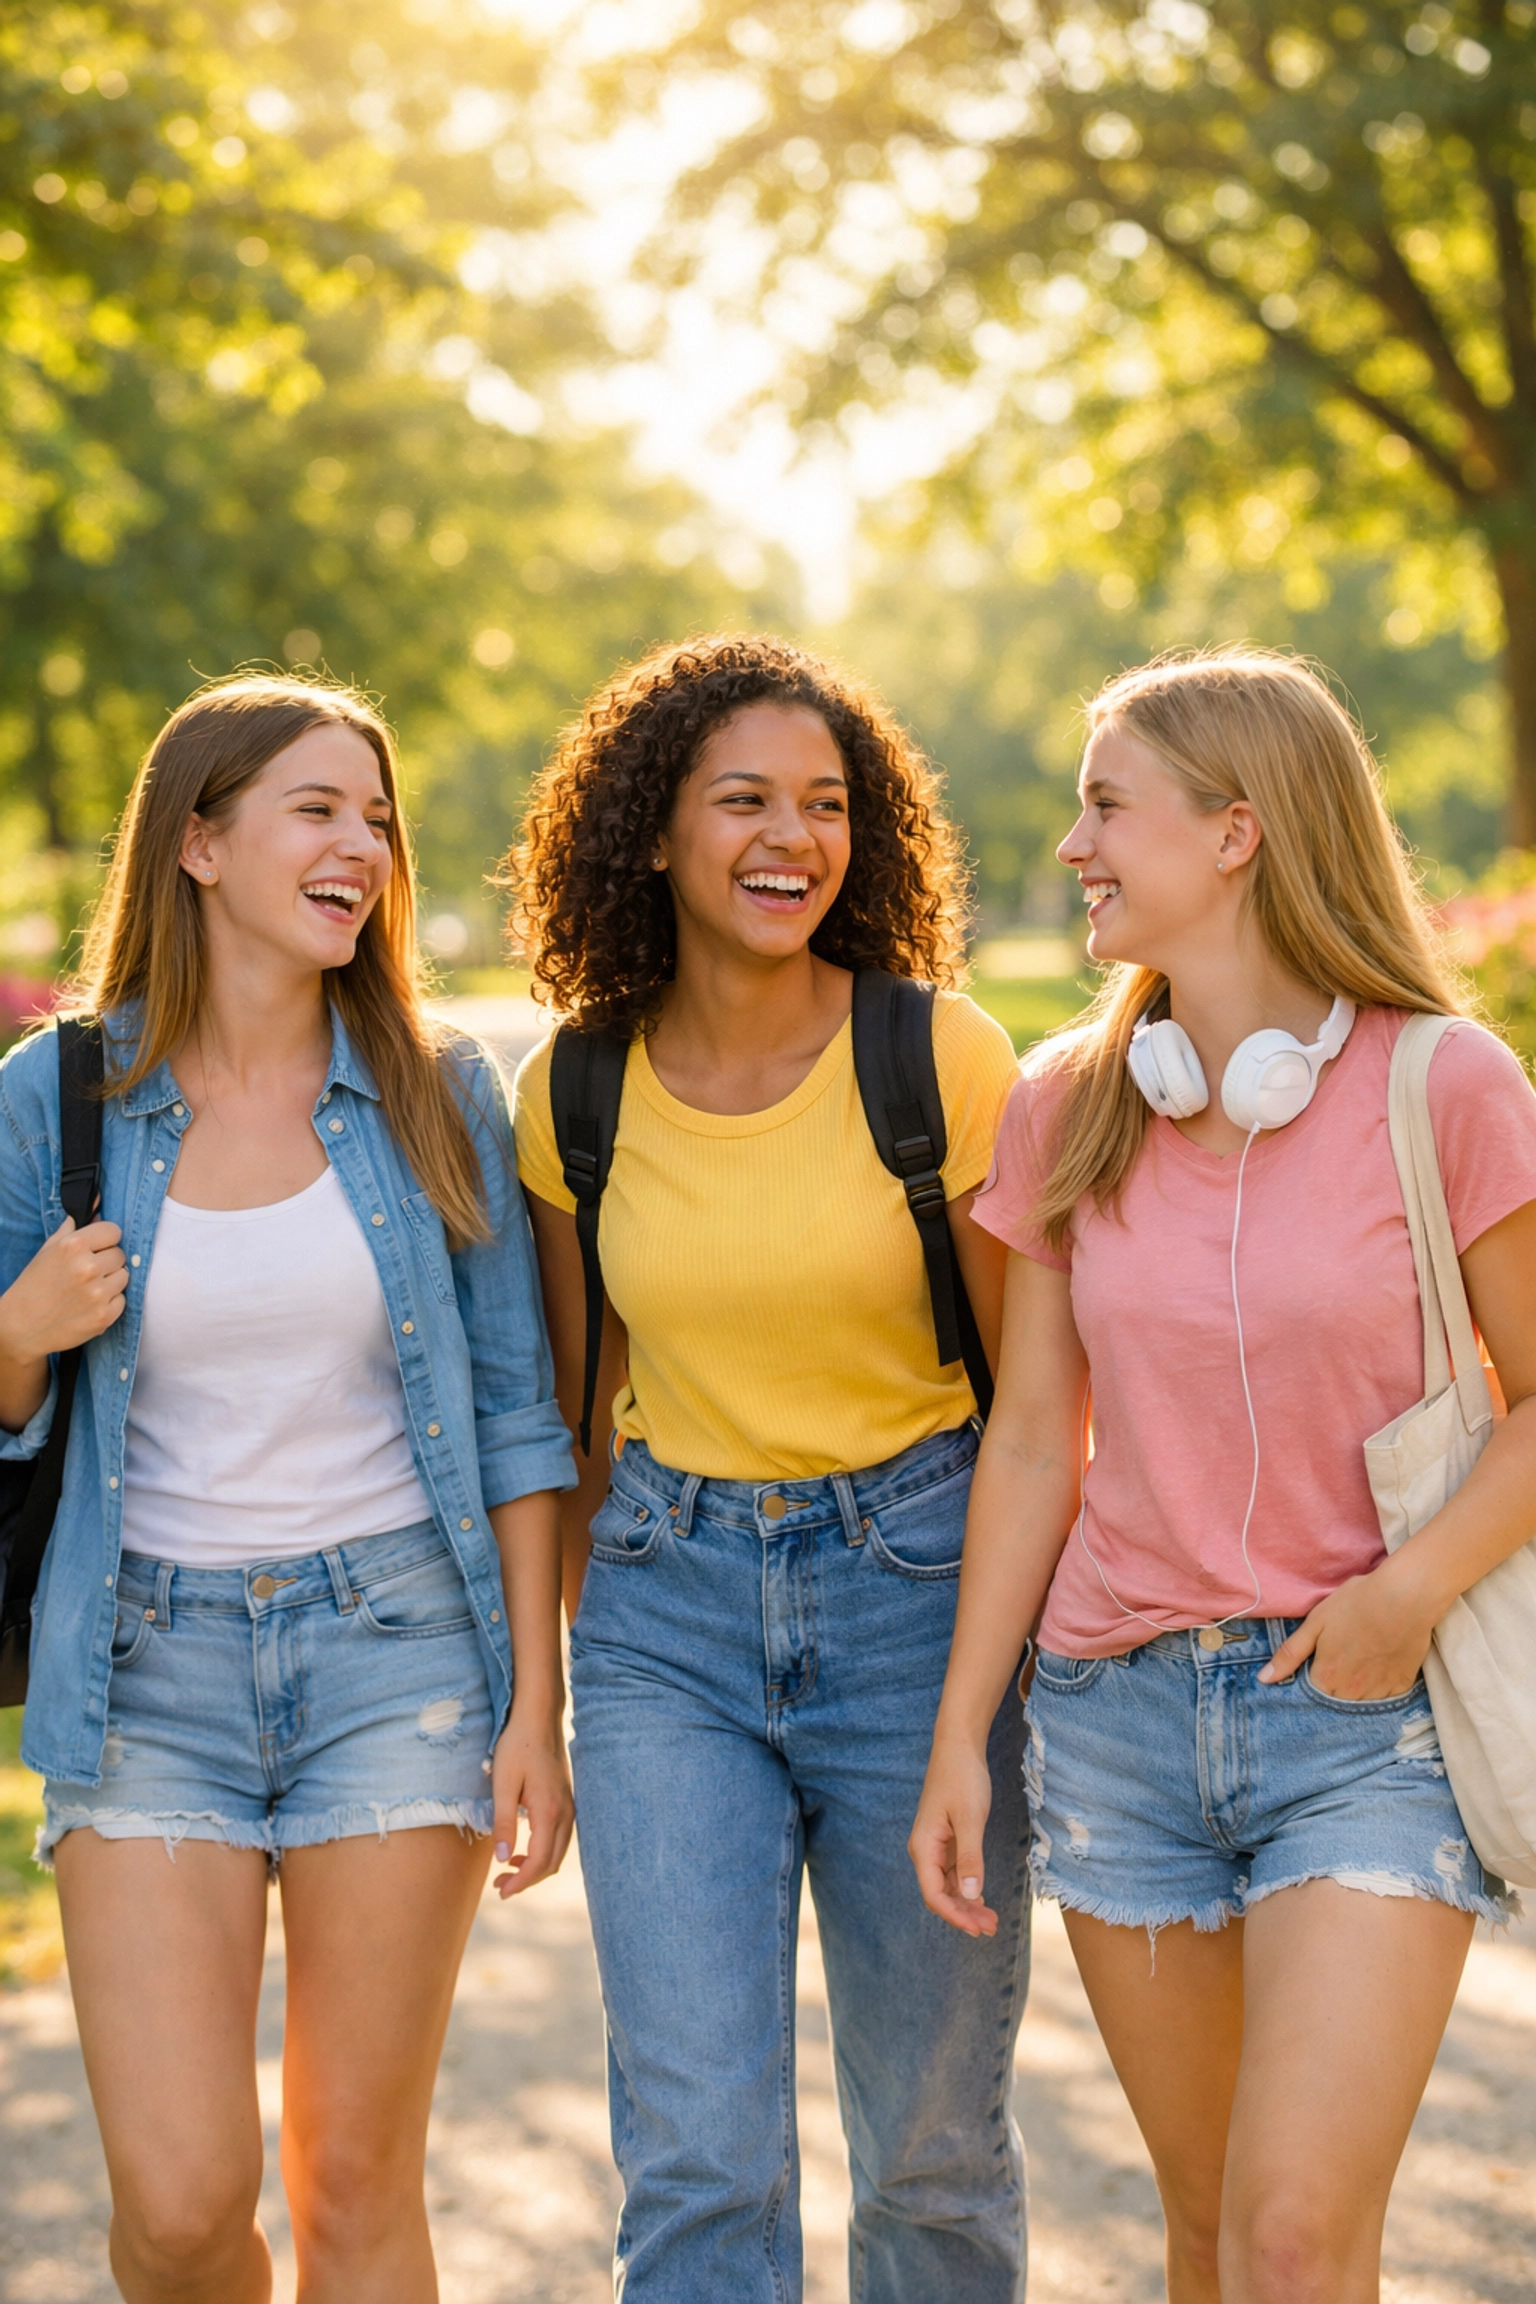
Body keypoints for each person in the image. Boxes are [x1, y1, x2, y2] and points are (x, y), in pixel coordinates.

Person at [911, 647, 1536, 2304]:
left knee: (1289, 2234)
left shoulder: (1444, 1086)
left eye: (1105, 805)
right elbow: (1041, 1437)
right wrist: (966, 1732)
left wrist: (1403, 1596)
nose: (1072, 847)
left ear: (1240, 831)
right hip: (1119, 1720)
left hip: (1365, 1724)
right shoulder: (1070, 1104)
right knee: (1208, 2236)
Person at [0, 675, 575, 2304]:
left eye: (378, 818)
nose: (364, 848)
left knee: (353, 2180)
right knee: (181, 2209)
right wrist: (18, 1336)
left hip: (396, 1659)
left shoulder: (435, 1087)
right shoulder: (59, 1098)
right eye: (318, 811)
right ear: (197, 841)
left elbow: (525, 1421)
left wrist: (535, 1705)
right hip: (140, 1667)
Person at [510, 633, 1031, 2302]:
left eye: (824, 804)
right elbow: (577, 1419)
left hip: (917, 1593)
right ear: (653, 833)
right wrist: (562, 1689)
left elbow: (1033, 1404)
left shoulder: (939, 1058)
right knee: (697, 2161)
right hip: (669, 1620)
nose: (788, 838)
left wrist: (984, 1694)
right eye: (742, 800)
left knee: (934, 2160)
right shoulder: (573, 1088)